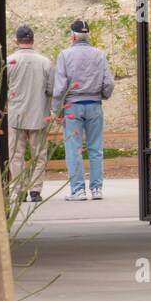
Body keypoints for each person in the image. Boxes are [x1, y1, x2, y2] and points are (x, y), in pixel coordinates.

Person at [52, 19, 115, 202]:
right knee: (96, 148)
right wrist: (102, 95)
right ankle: (96, 189)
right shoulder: (99, 54)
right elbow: (109, 82)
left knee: (74, 149)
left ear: (72, 36)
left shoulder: (65, 55)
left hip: (72, 106)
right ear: (88, 35)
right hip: (94, 105)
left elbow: (60, 87)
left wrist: (57, 110)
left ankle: (78, 190)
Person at [6, 25, 53, 204]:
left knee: (16, 156)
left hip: (15, 116)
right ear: (33, 40)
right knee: (39, 155)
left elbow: (3, 89)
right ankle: (35, 190)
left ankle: (18, 190)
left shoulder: (9, 62)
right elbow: (51, 90)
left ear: (16, 41)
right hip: (39, 116)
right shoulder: (45, 62)